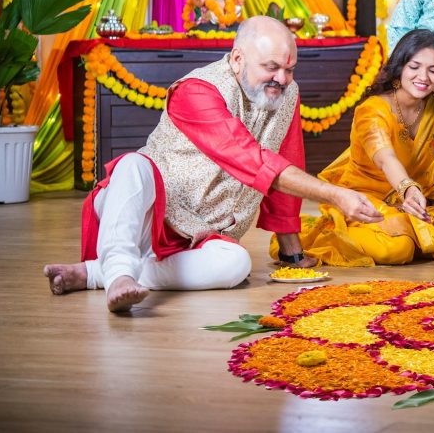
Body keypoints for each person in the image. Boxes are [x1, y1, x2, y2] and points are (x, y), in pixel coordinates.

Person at [42, 16, 382, 313]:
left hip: (200, 239)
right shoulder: (196, 91)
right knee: (132, 166)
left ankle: (96, 273)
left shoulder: (287, 95)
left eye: (290, 69)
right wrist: (334, 194)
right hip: (144, 218)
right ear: (237, 59)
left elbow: (285, 159)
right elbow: (249, 159)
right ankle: (117, 272)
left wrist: (292, 254)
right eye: (272, 68)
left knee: (237, 264)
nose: (283, 78)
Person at [288, 29, 434, 266]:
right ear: (400, 67)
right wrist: (407, 188)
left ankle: (413, 233)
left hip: (419, 203)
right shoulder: (373, 110)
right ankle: (341, 235)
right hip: (369, 200)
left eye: (433, 70)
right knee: (396, 249)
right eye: (415, 66)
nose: (424, 76)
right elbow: (385, 157)